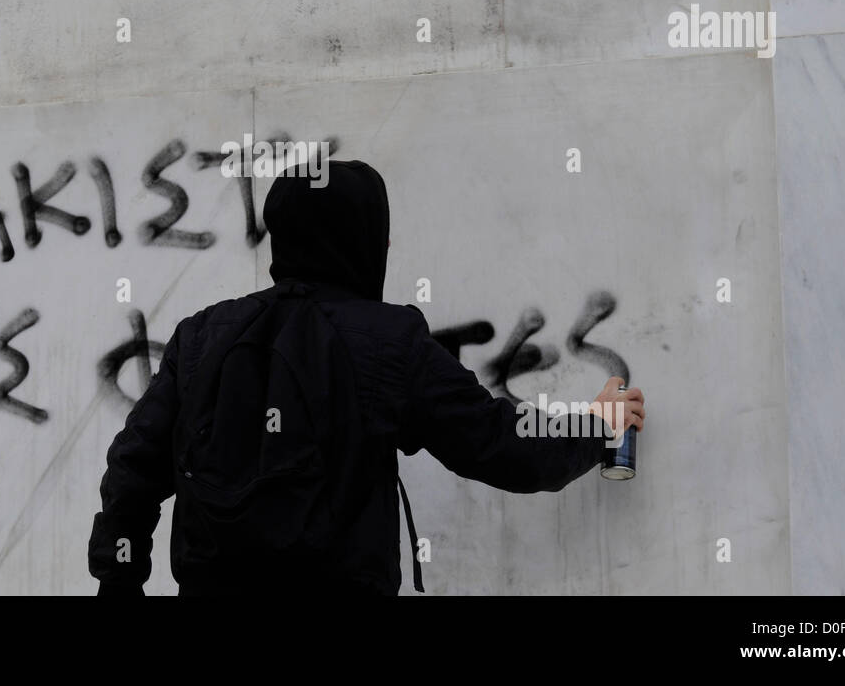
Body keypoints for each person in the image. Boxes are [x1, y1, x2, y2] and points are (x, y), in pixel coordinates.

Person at [88, 159, 645, 595]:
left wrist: (119, 584)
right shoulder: (389, 341)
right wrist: (597, 425)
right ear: (363, 239)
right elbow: (499, 445)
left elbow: (132, 469)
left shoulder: (202, 336)